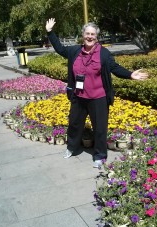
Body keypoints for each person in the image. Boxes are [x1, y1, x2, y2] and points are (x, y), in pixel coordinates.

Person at [46, 18, 149, 168]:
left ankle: (100, 155)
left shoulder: (104, 54)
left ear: (96, 37)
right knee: (74, 124)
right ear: (83, 35)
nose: (89, 36)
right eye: (87, 33)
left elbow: (114, 67)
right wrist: (50, 32)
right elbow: (60, 49)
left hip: (98, 98)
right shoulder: (75, 51)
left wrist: (130, 74)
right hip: (79, 97)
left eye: (92, 34)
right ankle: (71, 147)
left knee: (100, 128)